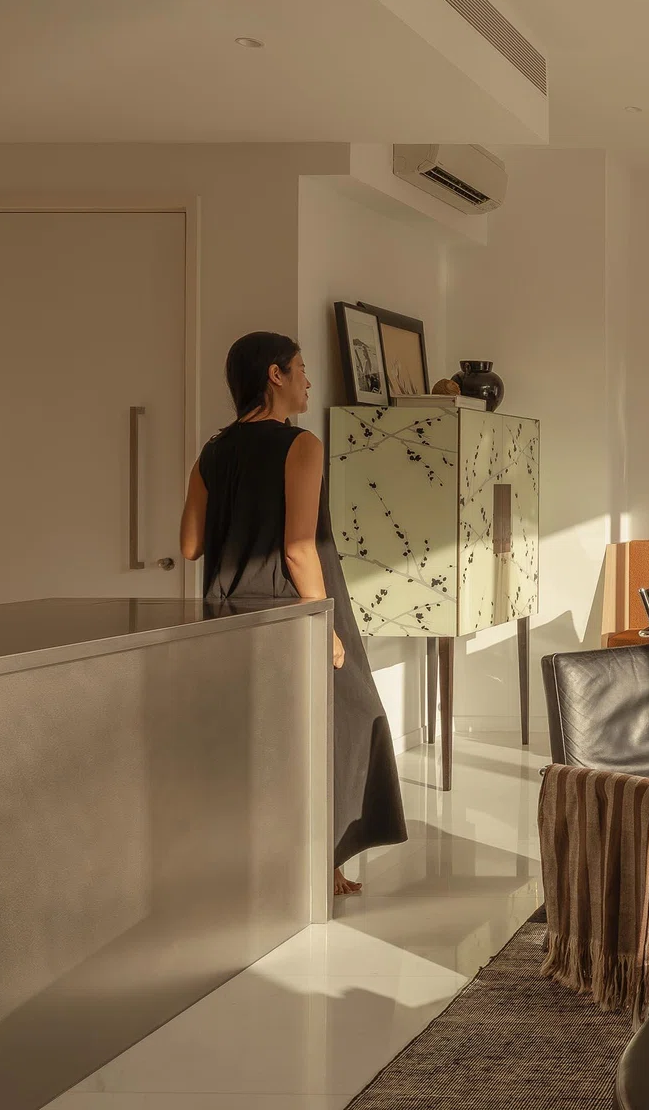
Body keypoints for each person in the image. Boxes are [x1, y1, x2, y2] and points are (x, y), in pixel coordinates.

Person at [178, 332, 408, 896]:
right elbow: (299, 547)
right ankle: (319, 862)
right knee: (347, 725)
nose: (309, 379)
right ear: (275, 375)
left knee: (265, 738)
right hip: (295, 610)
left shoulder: (212, 451)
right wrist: (323, 624)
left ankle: (273, 865)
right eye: (301, 369)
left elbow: (189, 546)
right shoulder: (300, 445)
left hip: (226, 614)